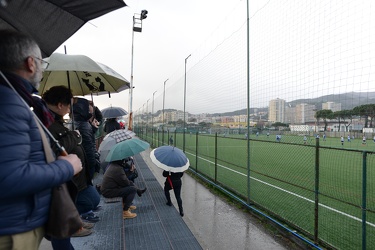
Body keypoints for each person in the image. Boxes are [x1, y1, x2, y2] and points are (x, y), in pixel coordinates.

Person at [0, 29, 82, 250]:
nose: (42, 70)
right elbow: (8, 177)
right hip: (12, 233)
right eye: (41, 63)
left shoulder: (17, 100)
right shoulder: (9, 104)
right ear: (30, 63)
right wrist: (66, 167)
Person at [42, 86, 97, 246]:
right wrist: (73, 136)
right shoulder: (47, 122)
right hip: (60, 179)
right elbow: (56, 146)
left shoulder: (53, 120)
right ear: (60, 105)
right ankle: (74, 225)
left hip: (68, 177)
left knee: (72, 209)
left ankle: (75, 223)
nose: (69, 110)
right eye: (68, 106)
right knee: (62, 230)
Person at [72, 97, 100, 179]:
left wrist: (93, 128)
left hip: (81, 161)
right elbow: (88, 147)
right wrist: (93, 163)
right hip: (87, 163)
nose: (90, 114)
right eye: (89, 111)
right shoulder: (84, 125)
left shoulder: (77, 122)